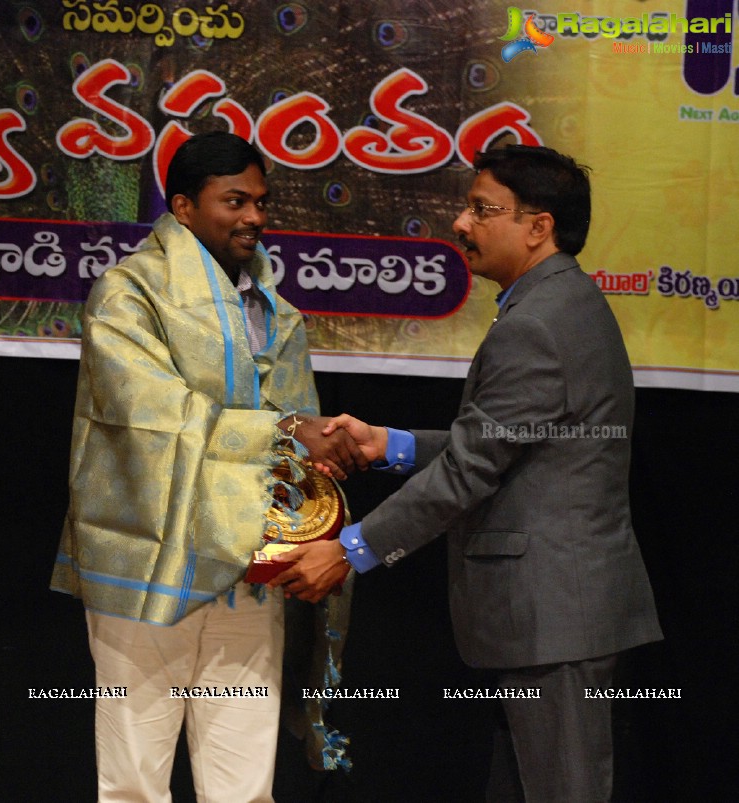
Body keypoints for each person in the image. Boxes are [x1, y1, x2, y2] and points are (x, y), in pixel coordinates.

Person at [269, 144, 663, 801]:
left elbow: (468, 471)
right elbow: (498, 444)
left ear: (538, 226)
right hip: (553, 616)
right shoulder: (559, 304)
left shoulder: (536, 324)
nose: (458, 223)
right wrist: (384, 444)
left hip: (552, 619)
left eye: (481, 210)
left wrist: (349, 550)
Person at [51, 131, 363, 803]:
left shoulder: (273, 311)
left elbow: (300, 446)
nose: (254, 215)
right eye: (234, 200)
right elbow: (149, 414)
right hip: (146, 569)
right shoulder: (127, 294)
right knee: (134, 781)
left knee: (244, 784)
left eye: (260, 201)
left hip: (245, 569)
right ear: (184, 207)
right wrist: (282, 430)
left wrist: (307, 524)